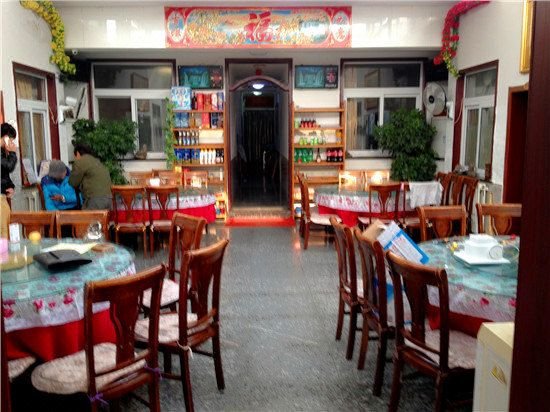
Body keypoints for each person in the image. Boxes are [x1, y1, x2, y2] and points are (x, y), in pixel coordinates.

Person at [69, 142, 112, 210]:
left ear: (77, 153)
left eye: (75, 156)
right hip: (109, 199)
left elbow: (73, 182)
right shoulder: (97, 161)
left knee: (87, 217)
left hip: (95, 200)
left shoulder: (80, 162)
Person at [1, 123, 18, 197]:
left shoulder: (2, 152)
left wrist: (10, 186)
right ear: (6, 138)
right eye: (11, 141)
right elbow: (9, 166)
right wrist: (12, 153)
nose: (12, 143)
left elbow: (4, 174)